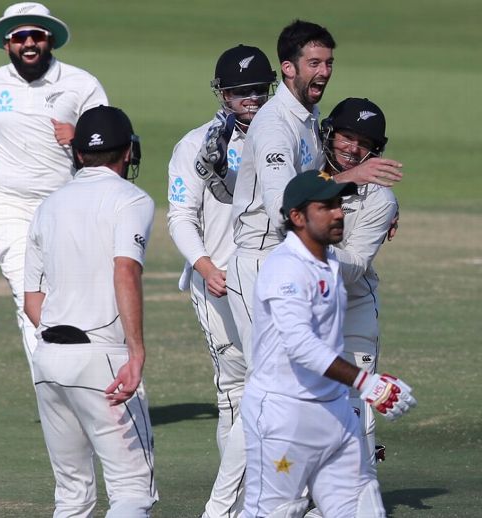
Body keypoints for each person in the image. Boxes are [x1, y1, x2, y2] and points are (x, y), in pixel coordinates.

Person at [0, 2, 108, 375]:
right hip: (8, 204)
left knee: (71, 296)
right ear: (7, 43)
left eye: (36, 35)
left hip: (68, 205)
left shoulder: (81, 83)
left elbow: (111, 141)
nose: (28, 42)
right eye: (20, 36)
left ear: (50, 41)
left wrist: (79, 136)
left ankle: (78, 378)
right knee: (27, 294)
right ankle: (52, 386)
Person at [228, 20, 404, 373]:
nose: (324, 72)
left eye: (329, 63)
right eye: (314, 63)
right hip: (263, 260)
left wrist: (380, 201)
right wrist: (349, 177)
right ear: (288, 68)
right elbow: (284, 209)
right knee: (269, 382)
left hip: (294, 262)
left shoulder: (308, 118)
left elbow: (317, 179)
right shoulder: (277, 125)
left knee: (299, 383)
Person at [241, 171, 416, 518]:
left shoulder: (330, 263)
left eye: (339, 204)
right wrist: (366, 382)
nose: (339, 213)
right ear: (297, 217)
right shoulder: (285, 268)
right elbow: (301, 345)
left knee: (363, 511)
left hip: (333, 412)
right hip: (284, 415)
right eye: (326, 207)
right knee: (275, 512)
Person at [23, 105, 156, 517]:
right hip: (102, 359)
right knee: (133, 490)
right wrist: (134, 354)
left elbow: (32, 302)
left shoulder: (48, 205)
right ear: (128, 153)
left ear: (79, 154)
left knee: (72, 495)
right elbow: (126, 271)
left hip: (47, 359)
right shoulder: (132, 199)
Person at [166, 44, 276, 518]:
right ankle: (231, 504)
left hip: (279, 281)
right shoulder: (197, 144)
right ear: (222, 93)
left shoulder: (294, 132)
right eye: (239, 91)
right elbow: (179, 216)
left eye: (257, 89)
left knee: (277, 387)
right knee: (237, 389)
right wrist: (205, 265)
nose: (249, 98)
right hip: (219, 282)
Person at [321, 98, 400, 471]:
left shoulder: (380, 199)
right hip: (302, 308)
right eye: (346, 137)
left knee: (358, 404)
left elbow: (353, 267)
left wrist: (304, 258)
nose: (353, 149)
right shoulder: (303, 173)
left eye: (363, 143)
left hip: (352, 307)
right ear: (329, 134)